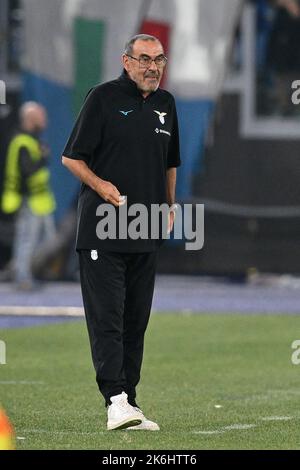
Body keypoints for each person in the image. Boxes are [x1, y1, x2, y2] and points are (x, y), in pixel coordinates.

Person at [62, 34, 181, 431]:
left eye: (159, 59)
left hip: (145, 228)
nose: (153, 67)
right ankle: (115, 399)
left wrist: (169, 204)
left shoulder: (167, 105)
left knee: (136, 321)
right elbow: (70, 157)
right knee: (108, 318)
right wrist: (102, 186)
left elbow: (171, 162)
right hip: (102, 228)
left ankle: (129, 401)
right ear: (126, 62)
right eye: (144, 59)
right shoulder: (102, 97)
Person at [1, 102, 56, 290]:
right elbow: (27, 170)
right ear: (31, 119)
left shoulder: (33, 140)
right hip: (27, 199)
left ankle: (17, 267)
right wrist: (42, 157)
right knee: (26, 240)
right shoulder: (22, 141)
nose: (45, 120)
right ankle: (21, 276)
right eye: (41, 117)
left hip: (40, 200)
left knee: (46, 240)